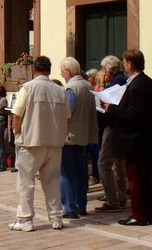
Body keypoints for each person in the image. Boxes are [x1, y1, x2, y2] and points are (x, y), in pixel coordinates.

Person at [9, 56, 70, 232]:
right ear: (49, 70)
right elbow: (67, 116)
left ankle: (25, 219)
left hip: (31, 141)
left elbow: (17, 114)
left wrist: (17, 131)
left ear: (33, 70)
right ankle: (56, 218)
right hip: (54, 142)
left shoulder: (27, 88)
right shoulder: (60, 90)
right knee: (52, 181)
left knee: (26, 182)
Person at [105, 49, 152, 226]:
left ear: (130, 63)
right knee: (144, 180)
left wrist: (112, 108)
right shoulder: (146, 81)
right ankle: (149, 214)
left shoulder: (137, 84)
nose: (124, 65)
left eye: (125, 62)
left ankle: (139, 215)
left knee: (136, 180)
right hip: (144, 140)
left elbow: (134, 114)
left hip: (137, 141)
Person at [59, 57, 98, 219]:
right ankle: (81, 205)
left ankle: (70, 208)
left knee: (66, 172)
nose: (61, 75)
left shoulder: (70, 88)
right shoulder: (88, 85)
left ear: (68, 72)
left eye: (62, 72)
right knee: (80, 171)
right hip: (84, 134)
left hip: (70, 135)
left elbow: (67, 114)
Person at [95, 55, 128, 212]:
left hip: (113, 126)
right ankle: (121, 198)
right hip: (121, 126)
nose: (103, 72)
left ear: (109, 70)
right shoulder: (123, 79)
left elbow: (110, 106)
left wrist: (102, 89)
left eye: (104, 69)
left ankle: (112, 200)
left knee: (103, 163)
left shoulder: (116, 83)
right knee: (119, 163)